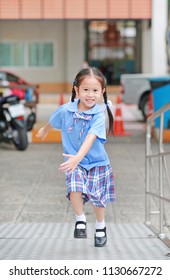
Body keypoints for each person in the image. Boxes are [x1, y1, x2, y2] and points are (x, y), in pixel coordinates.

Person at [36, 67, 115, 247]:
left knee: (98, 198)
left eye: (95, 90)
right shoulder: (65, 111)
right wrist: (44, 130)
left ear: (102, 92)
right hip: (74, 161)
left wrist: (77, 158)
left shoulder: (98, 115)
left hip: (97, 162)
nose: (90, 95)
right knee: (74, 187)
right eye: (85, 89)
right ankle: (80, 219)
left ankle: (100, 225)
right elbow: (52, 121)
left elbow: (90, 139)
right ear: (76, 89)